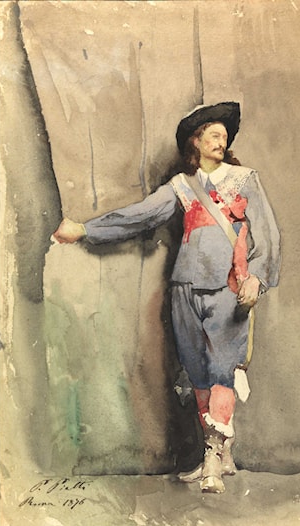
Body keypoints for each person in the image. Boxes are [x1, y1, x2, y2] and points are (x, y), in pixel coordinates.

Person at [53, 102, 281, 494]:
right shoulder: (182, 185)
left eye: (225, 135)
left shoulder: (244, 180)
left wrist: (256, 278)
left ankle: (212, 457)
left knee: (222, 369)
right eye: (213, 134)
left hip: (228, 289)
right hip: (184, 288)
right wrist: (85, 230)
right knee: (198, 372)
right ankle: (221, 454)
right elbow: (141, 215)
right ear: (196, 141)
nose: (221, 140)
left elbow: (269, 234)